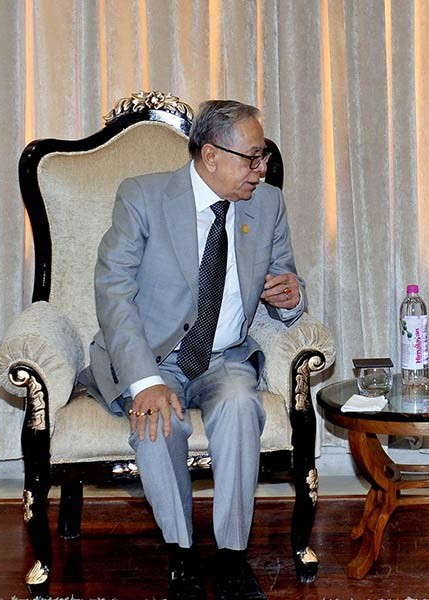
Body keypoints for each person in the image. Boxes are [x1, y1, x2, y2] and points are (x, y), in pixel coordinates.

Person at [79, 99, 306, 600]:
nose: (262, 168)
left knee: (241, 407)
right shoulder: (143, 196)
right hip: (155, 358)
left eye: (263, 155)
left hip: (224, 358)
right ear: (210, 155)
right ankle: (181, 556)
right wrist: (144, 381)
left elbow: (288, 283)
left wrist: (290, 297)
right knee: (158, 425)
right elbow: (113, 293)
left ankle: (231, 557)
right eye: (252, 157)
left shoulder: (266, 205)